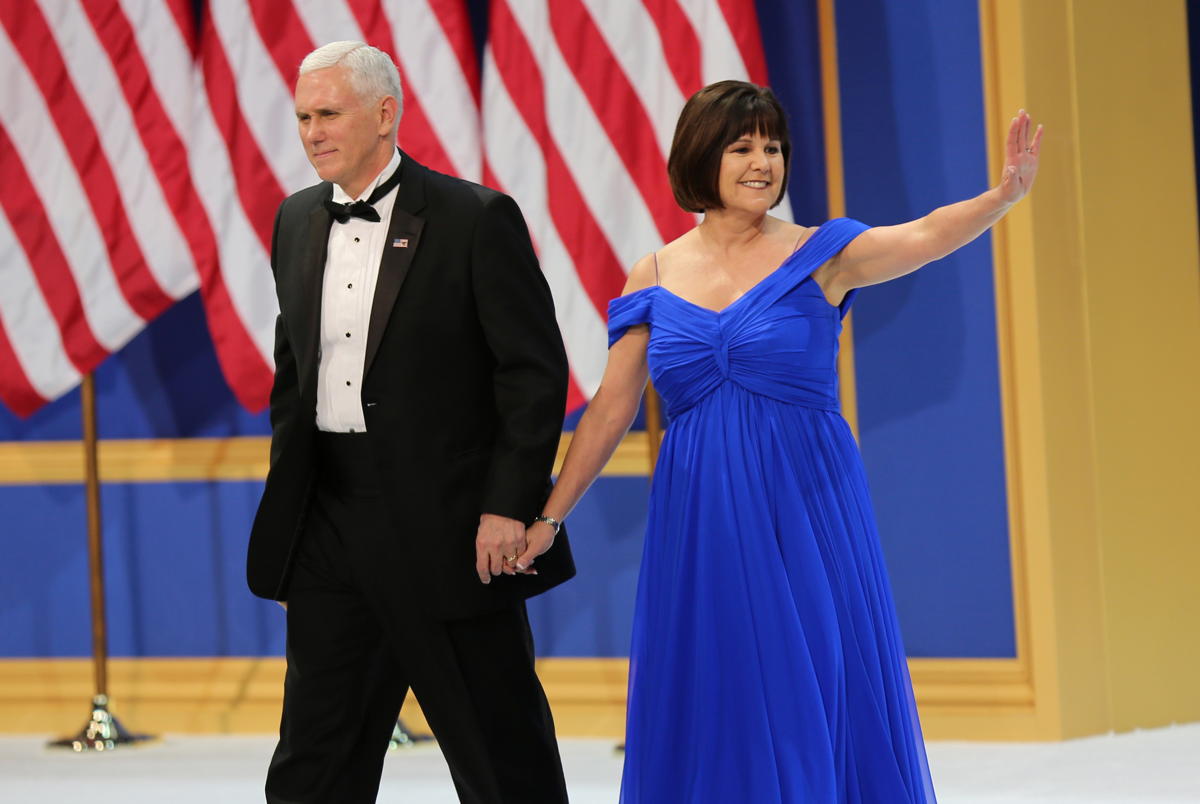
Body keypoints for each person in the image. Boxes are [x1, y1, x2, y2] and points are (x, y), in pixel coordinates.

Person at [517, 80, 1042, 802]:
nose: (763, 162)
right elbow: (610, 410)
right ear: (703, 157)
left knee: (813, 681)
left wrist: (1002, 197)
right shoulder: (656, 273)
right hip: (703, 519)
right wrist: (550, 516)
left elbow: (921, 236)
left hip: (808, 507)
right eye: (742, 147)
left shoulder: (823, 254)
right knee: (721, 683)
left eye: (773, 147)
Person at [246, 41, 575, 804]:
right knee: (313, 761)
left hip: (454, 529)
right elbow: (294, 378)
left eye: (329, 113)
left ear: (385, 113)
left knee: (502, 757)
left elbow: (532, 374)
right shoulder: (295, 220)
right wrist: (292, 520)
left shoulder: (474, 217)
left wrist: (507, 504)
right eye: (302, 116)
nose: (312, 131)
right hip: (329, 525)